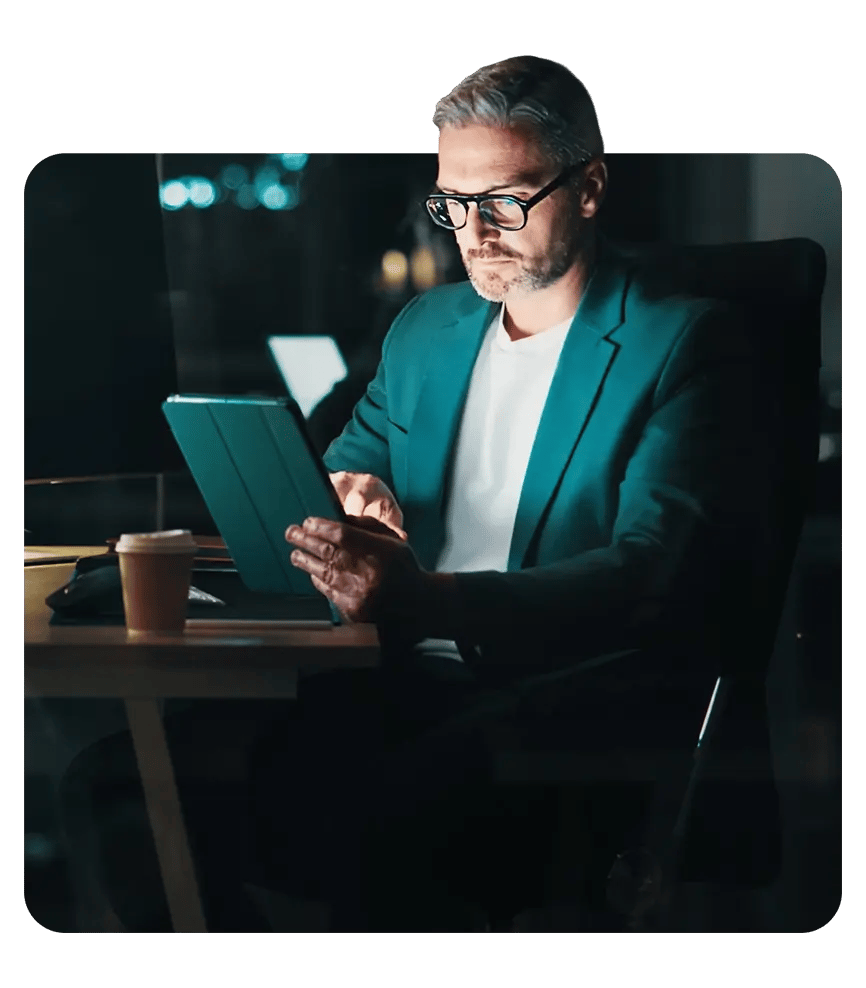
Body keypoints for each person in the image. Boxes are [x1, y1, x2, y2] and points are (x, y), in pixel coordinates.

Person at [61, 56, 769, 932]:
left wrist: (429, 599)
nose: (473, 232)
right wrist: (349, 492)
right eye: (452, 203)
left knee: (377, 813)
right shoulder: (428, 329)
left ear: (589, 188)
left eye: (505, 201)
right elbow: (347, 465)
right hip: (382, 676)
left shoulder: (687, 342)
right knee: (119, 784)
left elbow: (649, 575)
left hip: (561, 703)